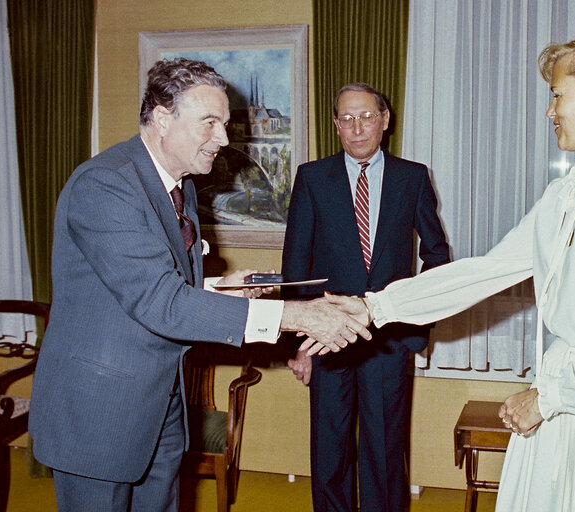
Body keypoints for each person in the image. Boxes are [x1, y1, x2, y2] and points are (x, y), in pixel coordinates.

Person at [326, 29, 575, 511]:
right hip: (561, 403)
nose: (550, 110)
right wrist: (372, 306)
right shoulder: (564, 198)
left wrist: (548, 399)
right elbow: (484, 272)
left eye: (557, 95)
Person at [28, 58, 370, 512]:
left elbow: (152, 284)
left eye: (226, 124)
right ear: (163, 118)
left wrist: (219, 287)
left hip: (161, 405)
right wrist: (297, 315)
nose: (225, 139)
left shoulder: (180, 185)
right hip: (100, 414)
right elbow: (159, 302)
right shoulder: (106, 185)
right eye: (210, 122)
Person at [282, 82, 450, 511]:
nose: (357, 128)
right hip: (326, 337)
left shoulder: (411, 177)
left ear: (385, 121)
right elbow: (296, 266)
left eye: (367, 117)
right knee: (330, 450)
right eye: (347, 119)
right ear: (336, 124)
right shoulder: (312, 178)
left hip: (387, 339)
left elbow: (436, 256)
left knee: (385, 453)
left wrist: (415, 325)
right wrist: (299, 346)